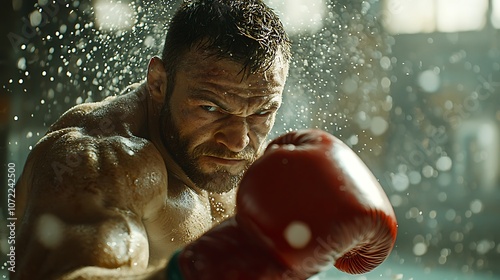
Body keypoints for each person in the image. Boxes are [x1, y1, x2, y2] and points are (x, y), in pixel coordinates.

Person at [15, 0, 291, 279]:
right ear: (158, 82)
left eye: (262, 111)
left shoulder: (256, 159)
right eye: (210, 108)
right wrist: (196, 271)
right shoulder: (100, 164)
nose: (238, 142)